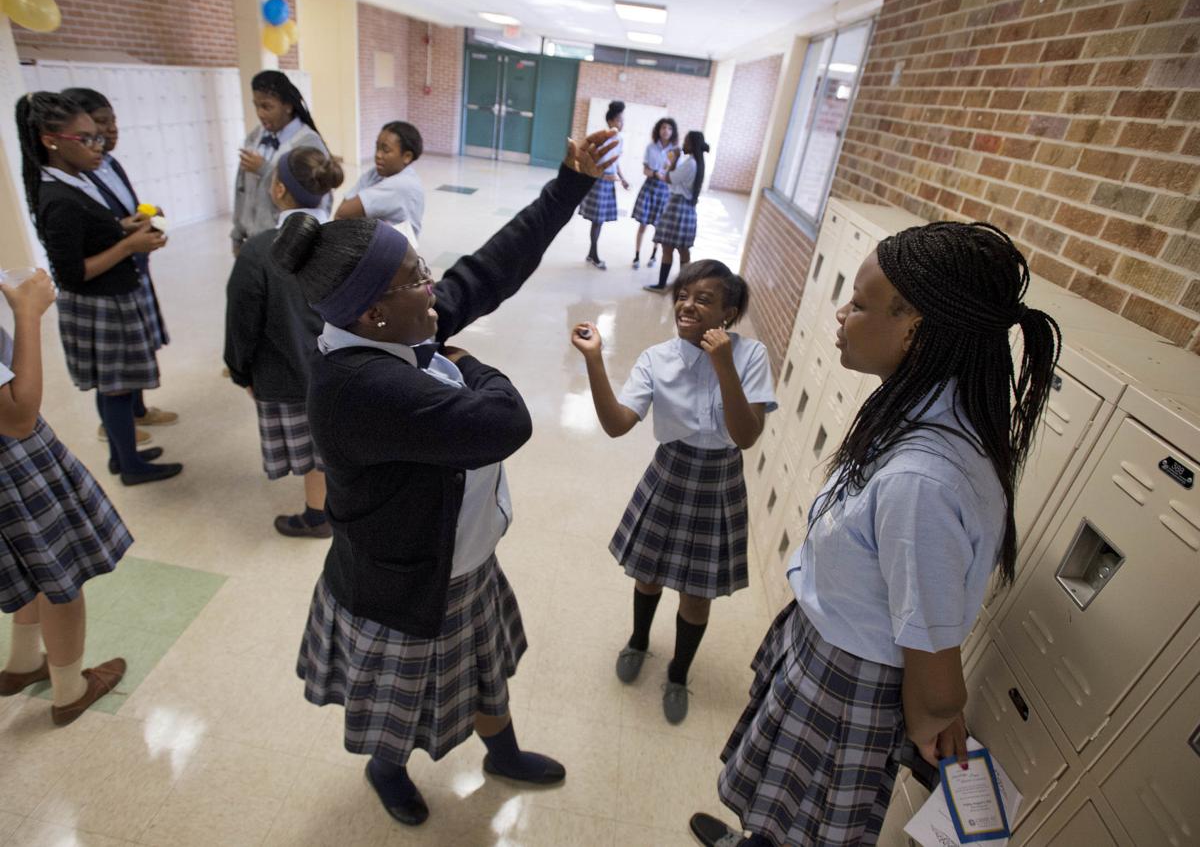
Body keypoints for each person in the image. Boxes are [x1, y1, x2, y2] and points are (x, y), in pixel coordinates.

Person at [688, 222, 1062, 847]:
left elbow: (934, 655)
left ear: (915, 327)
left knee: (802, 826)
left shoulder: (925, 482)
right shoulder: (920, 415)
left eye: (859, 304)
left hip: (849, 685)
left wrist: (936, 715)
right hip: (825, 646)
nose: (842, 313)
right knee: (777, 815)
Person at [287, 128, 616, 826]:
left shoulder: (395, 326)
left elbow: (488, 270)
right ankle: (386, 768)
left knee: (480, 667)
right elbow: (504, 422)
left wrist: (569, 185)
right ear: (374, 310)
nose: (433, 285)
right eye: (417, 278)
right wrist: (468, 363)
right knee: (399, 703)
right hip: (403, 581)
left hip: (457, 559)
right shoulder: (361, 386)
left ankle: (503, 752)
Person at [571, 259, 775, 724]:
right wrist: (595, 360)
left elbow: (746, 436)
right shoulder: (656, 359)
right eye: (682, 295)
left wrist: (723, 364)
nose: (687, 304)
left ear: (729, 311)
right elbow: (617, 425)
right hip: (670, 471)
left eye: (703, 299)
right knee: (647, 574)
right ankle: (639, 642)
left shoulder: (750, 356)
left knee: (697, 594)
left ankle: (679, 673)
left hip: (720, 479)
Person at [15, 92, 182, 485]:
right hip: (99, 304)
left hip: (114, 296)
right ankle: (130, 466)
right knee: (116, 388)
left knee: (117, 386)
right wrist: (128, 245)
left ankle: (122, 455)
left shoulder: (76, 180)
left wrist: (125, 228)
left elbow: (94, 230)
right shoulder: (59, 199)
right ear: (50, 139)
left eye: (98, 136)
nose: (98, 145)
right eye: (86, 138)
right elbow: (71, 273)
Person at [0, 268, 129, 726]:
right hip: (12, 462)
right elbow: (17, 413)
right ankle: (70, 689)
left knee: (26, 565)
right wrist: (28, 314)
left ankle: (21, 663)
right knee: (60, 575)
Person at [224, 148, 344, 537]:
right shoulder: (348, 241)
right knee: (337, 441)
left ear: (277, 190)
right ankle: (343, 502)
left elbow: (242, 322)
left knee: (313, 454)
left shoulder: (260, 251)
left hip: (289, 374)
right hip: (350, 370)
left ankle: (318, 516)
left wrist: (241, 371)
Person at [61, 87, 178, 444]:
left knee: (136, 350)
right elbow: (87, 246)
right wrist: (129, 240)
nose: (110, 132)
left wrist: (143, 218)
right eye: (100, 125)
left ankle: (138, 410)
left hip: (131, 270)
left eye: (112, 122)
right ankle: (114, 426)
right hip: (108, 283)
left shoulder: (110, 163)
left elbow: (116, 216)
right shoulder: (78, 178)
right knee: (113, 365)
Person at [231, 70, 328, 255]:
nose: (260, 113)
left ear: (288, 106)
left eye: (267, 107)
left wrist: (265, 169)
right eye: (256, 106)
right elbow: (241, 189)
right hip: (254, 241)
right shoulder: (255, 136)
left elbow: (319, 200)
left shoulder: (308, 142)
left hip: (286, 245)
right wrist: (237, 234)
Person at [334, 121, 425, 238]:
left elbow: (343, 212)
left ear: (407, 156)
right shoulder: (376, 173)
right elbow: (342, 211)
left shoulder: (402, 184)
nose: (378, 155)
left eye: (385, 150)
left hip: (394, 251)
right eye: (377, 148)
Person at [644, 130, 709, 293]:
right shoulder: (695, 163)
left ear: (692, 145)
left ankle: (663, 285)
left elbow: (668, 178)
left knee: (668, 248)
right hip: (685, 209)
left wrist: (675, 159)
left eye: (686, 142)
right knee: (683, 249)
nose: (683, 144)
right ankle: (685, 287)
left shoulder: (689, 164)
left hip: (677, 208)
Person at [579, 100, 629, 270]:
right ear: (610, 121)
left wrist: (622, 178)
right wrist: (602, 176)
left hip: (609, 182)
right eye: (618, 120)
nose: (621, 124)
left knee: (599, 221)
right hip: (599, 182)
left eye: (623, 120)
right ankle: (594, 254)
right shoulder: (602, 138)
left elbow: (616, 161)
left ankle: (591, 253)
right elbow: (591, 162)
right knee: (597, 220)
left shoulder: (620, 139)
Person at [631, 117, 678, 270]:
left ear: (673, 132)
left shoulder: (675, 151)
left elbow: (675, 174)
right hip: (650, 187)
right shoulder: (650, 147)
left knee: (659, 226)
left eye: (669, 128)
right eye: (663, 128)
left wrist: (666, 176)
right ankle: (636, 256)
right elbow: (645, 170)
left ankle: (653, 255)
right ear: (658, 130)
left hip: (664, 191)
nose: (666, 131)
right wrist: (655, 173)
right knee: (643, 224)